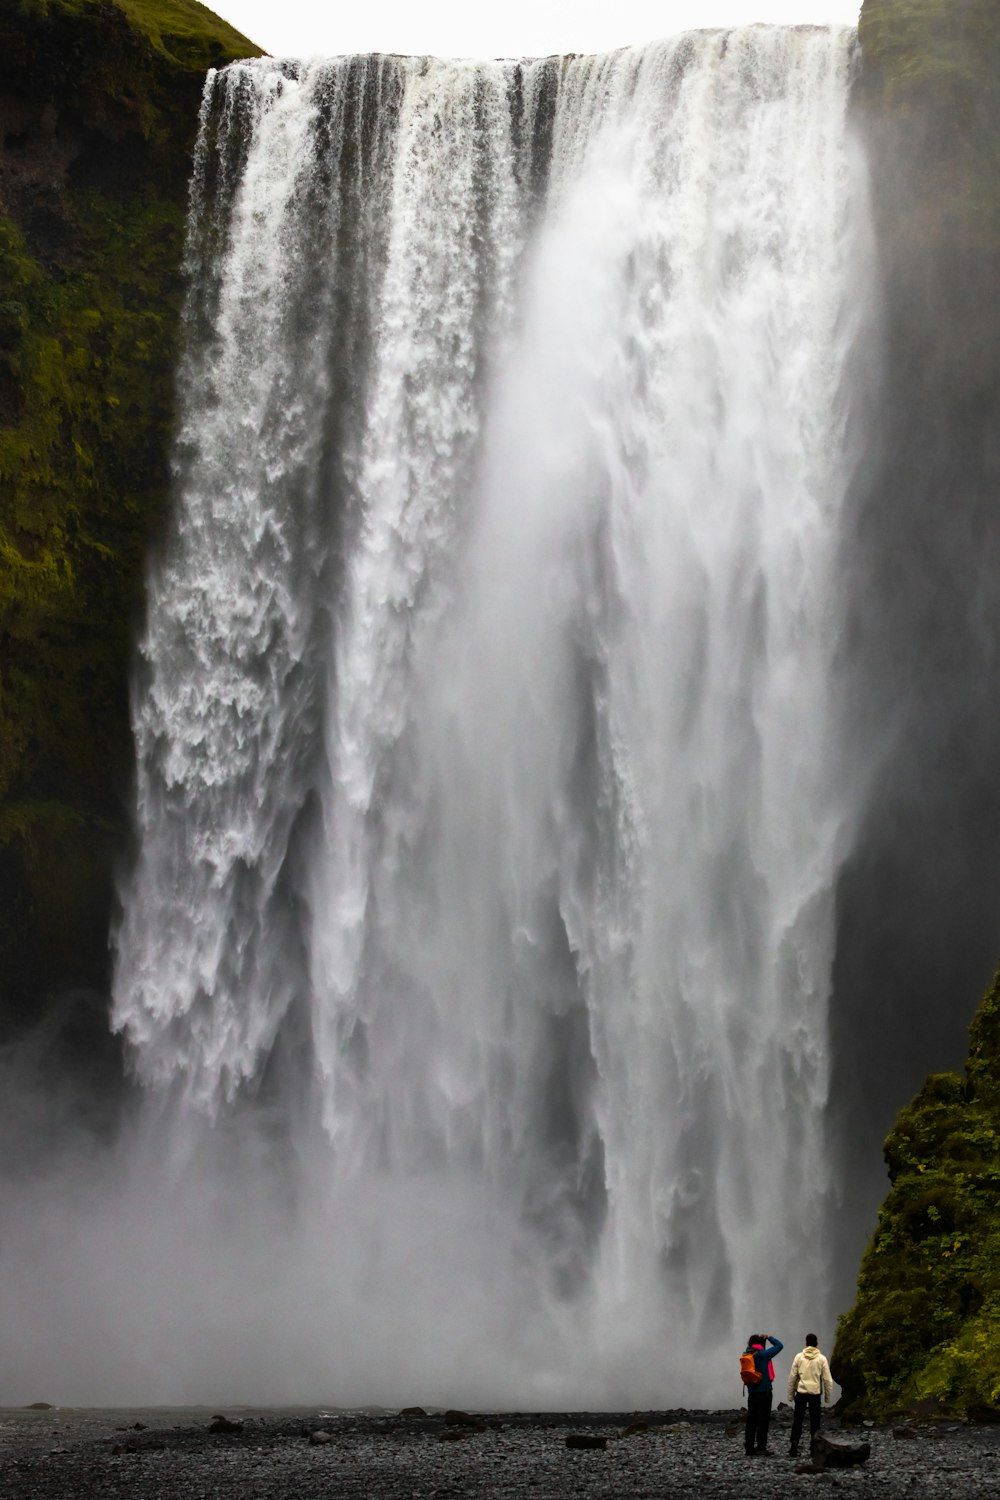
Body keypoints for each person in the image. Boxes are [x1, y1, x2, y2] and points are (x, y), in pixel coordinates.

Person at [786, 1333, 834, 1457]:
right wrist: (828, 1397)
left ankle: (794, 1444)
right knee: (815, 1421)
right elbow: (827, 1380)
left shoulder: (799, 1357)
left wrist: (790, 1395)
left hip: (801, 1392)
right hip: (815, 1393)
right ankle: (814, 1448)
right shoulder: (821, 1358)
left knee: (798, 1420)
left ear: (806, 1343)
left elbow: (792, 1377)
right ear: (816, 1343)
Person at [743, 1333, 783, 1455]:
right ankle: (761, 1447)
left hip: (752, 1392)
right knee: (763, 1420)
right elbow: (779, 1345)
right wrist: (769, 1338)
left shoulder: (747, 1355)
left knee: (751, 1420)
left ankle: (749, 1447)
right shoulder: (762, 1355)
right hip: (764, 1392)